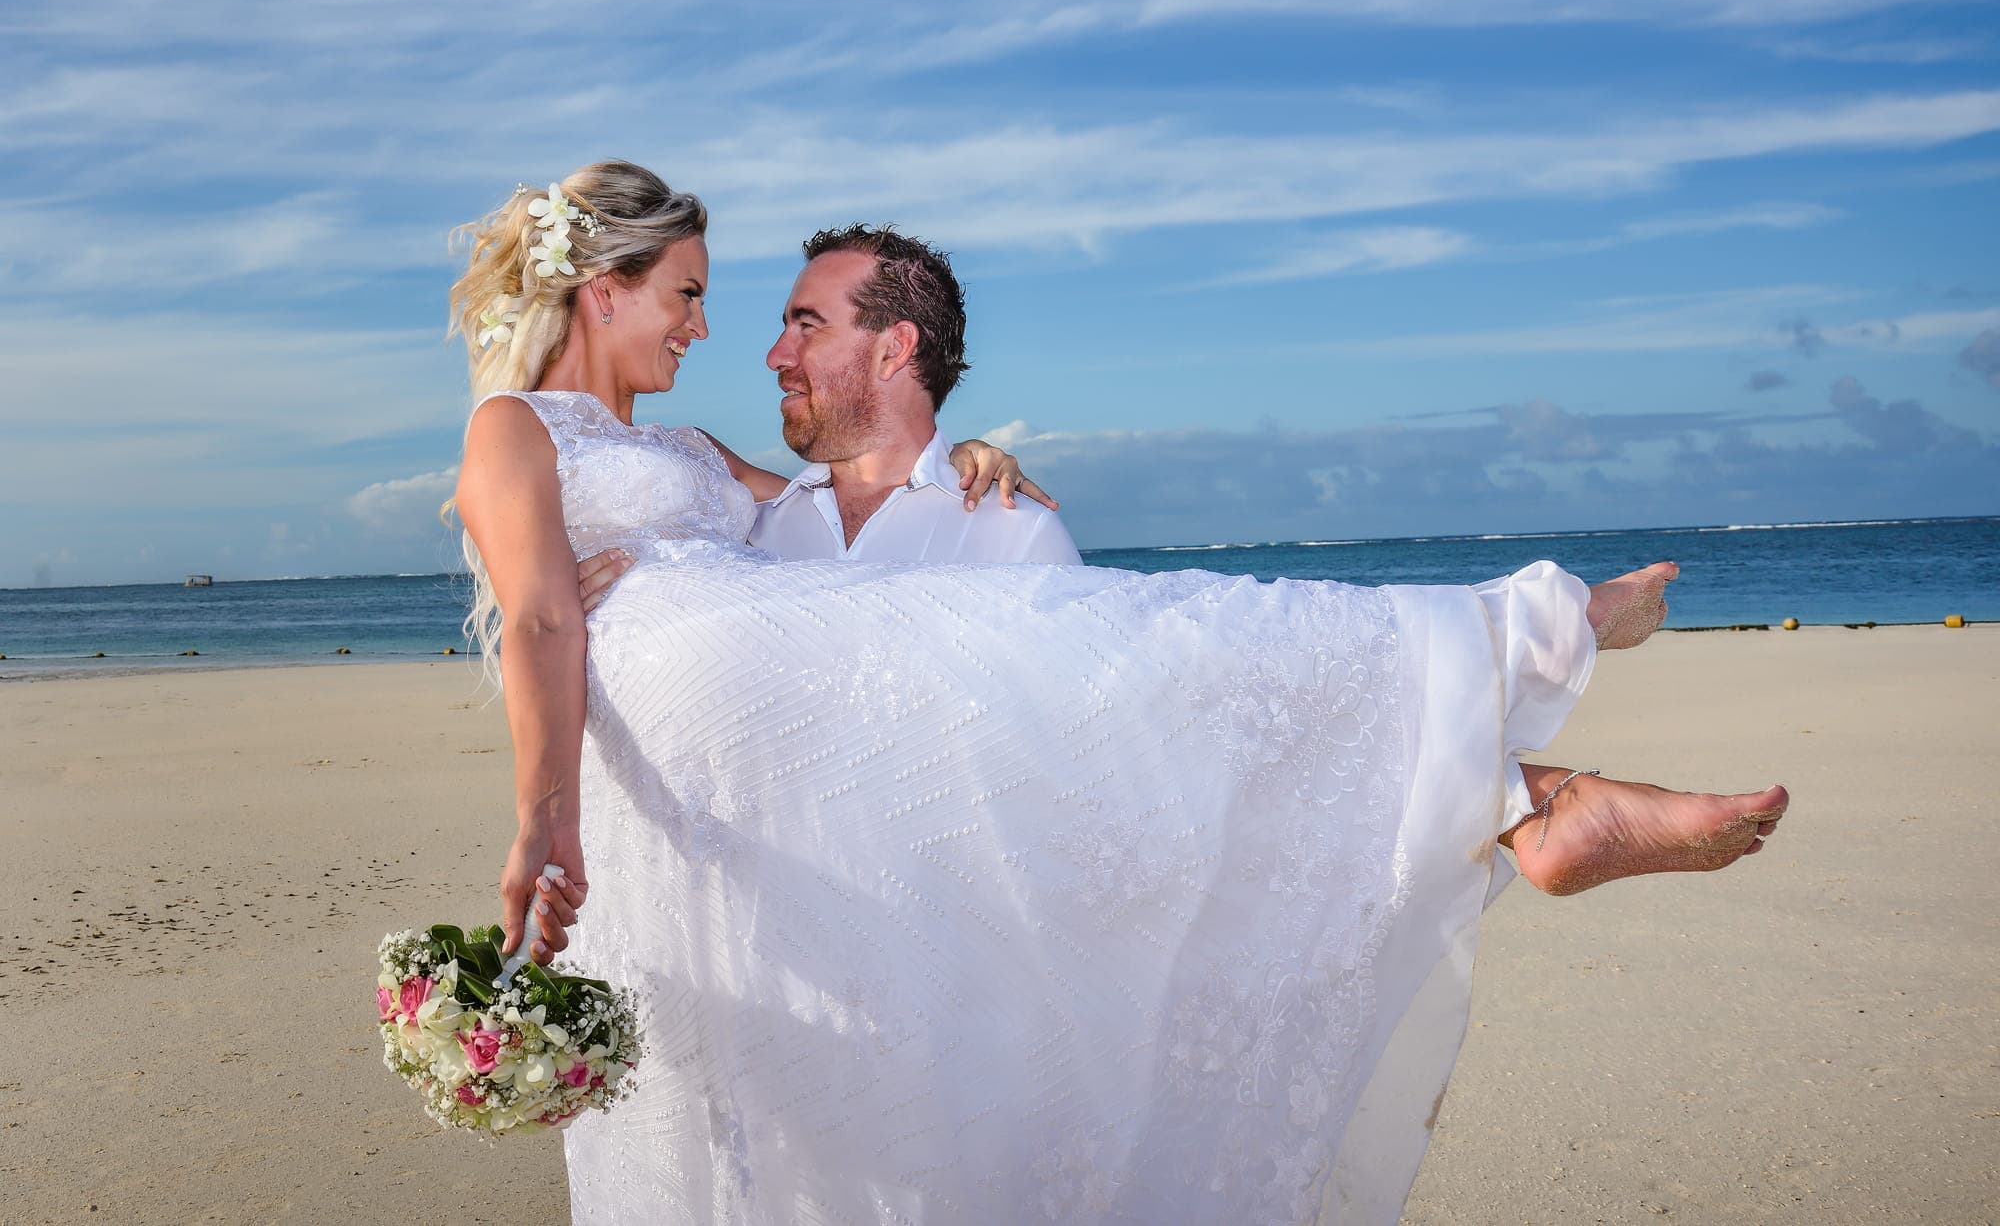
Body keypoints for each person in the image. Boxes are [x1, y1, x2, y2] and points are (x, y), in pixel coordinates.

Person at [448, 161, 1787, 1224]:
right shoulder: (510, 428)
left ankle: (1519, 776)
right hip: (690, 687)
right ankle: (1528, 696)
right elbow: (541, 611)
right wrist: (539, 817)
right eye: (681, 292)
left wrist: (963, 444)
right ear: (603, 289)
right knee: (1118, 661)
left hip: (758, 710)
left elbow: (835, 478)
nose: (703, 325)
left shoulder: (696, 452)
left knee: (1110, 662)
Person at [566, 224, 1767, 901]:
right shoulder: (756, 520)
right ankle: (1530, 773)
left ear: (895, 348)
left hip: (951, 903)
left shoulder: (1007, 527)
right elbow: (606, 460)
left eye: (805, 323)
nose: (770, 349)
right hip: (803, 901)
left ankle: (1530, 775)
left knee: (1201, 651)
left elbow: (1121, 743)